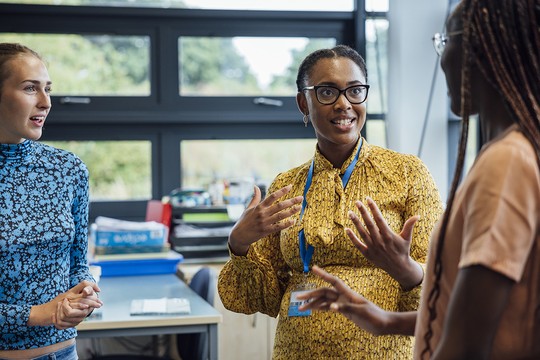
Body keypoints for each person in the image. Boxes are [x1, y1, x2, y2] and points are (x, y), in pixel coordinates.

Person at [298, 1, 540, 359]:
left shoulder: (507, 163)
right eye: (328, 92)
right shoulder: (508, 153)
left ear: (483, 50)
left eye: (445, 41)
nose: (441, 60)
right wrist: (384, 321)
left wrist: (405, 271)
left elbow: (468, 344)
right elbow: (470, 313)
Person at [217, 44, 443, 359]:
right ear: (303, 103)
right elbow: (264, 298)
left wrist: (407, 269)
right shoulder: (286, 185)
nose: (343, 104)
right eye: (327, 93)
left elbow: (442, 296)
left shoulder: (407, 174)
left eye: (354, 91)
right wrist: (239, 244)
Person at [0, 43, 103, 359]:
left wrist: (83, 292)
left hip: (65, 352)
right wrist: (40, 313)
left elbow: (76, 262)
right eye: (30, 88)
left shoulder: (69, 169)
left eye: (47, 89)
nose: (45, 102)